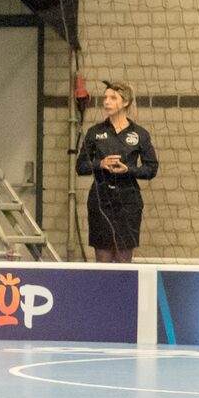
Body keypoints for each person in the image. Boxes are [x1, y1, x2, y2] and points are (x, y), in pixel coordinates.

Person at [75, 80, 158, 263]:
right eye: (105, 97)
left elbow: (151, 169)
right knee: (103, 258)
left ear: (125, 102)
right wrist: (100, 164)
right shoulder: (95, 132)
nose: (107, 102)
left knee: (123, 259)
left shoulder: (139, 134)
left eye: (113, 98)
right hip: (100, 200)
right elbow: (80, 167)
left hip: (128, 201)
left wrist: (129, 170)